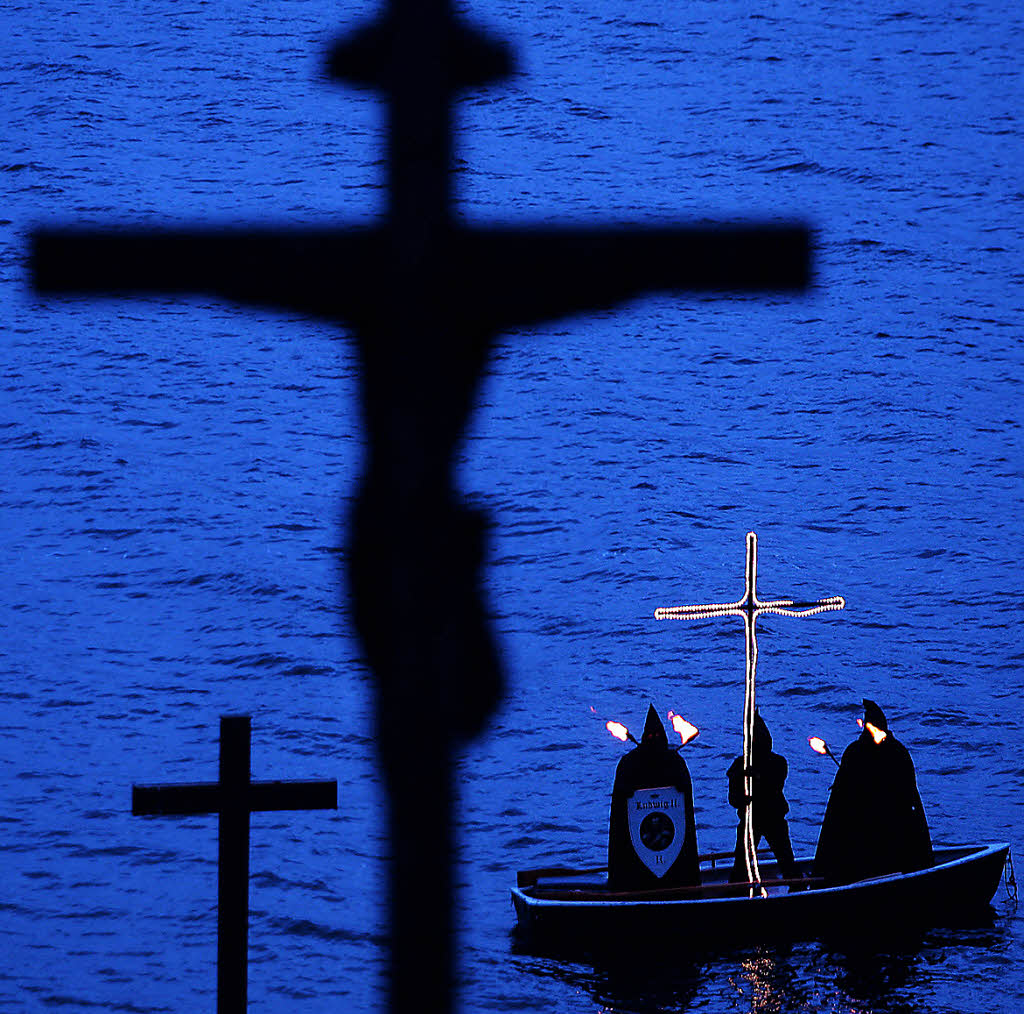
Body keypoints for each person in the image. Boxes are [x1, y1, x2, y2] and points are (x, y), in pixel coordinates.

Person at [813, 698, 933, 885]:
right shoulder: (857, 752)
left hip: (890, 830)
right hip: (860, 830)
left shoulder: (896, 753)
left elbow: (908, 796)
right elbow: (840, 803)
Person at [607, 704, 699, 890]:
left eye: (657, 736)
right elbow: (621, 803)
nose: (654, 740)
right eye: (650, 736)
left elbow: (684, 802)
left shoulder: (675, 762)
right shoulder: (630, 763)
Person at [727, 710, 799, 882]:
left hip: (774, 817)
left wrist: (755, 777)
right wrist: (743, 791)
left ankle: (798, 887)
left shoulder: (778, 763)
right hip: (750, 820)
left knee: (786, 859)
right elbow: (734, 799)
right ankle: (736, 892)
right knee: (741, 864)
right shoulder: (739, 765)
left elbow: (774, 785)